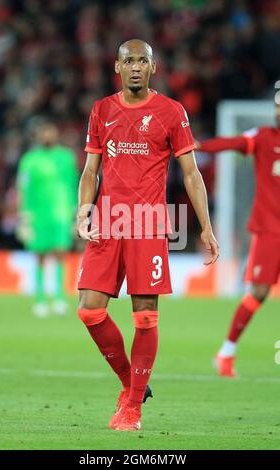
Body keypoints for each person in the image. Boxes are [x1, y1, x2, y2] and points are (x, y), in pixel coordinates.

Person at [77, 39, 219, 431]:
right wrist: (85, 208)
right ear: (117, 68)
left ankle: (132, 408)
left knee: (144, 317)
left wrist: (206, 226)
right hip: (108, 221)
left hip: (148, 223)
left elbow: (191, 173)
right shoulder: (101, 110)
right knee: (89, 309)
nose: (136, 67)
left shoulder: (171, 112)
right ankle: (132, 384)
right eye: (128, 61)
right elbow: (91, 170)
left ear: (153, 68)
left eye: (143, 60)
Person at [195, 103, 280, 378]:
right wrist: (198, 145)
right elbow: (231, 142)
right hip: (270, 230)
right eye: (278, 107)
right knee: (258, 292)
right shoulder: (264, 137)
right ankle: (226, 353)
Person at [17, 123, 78, 317]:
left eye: (50, 132)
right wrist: (23, 215)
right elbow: (23, 188)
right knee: (40, 256)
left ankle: (59, 297)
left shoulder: (66, 158)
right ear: (39, 136)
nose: (47, 135)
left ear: (56, 135)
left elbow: (74, 184)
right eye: (44, 132)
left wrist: (76, 211)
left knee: (60, 253)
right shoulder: (29, 160)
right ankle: (41, 299)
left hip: (61, 213)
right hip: (37, 214)